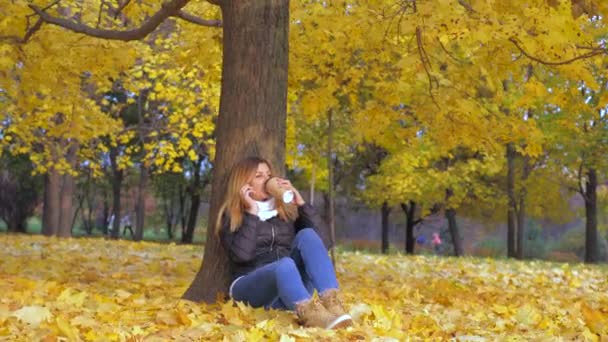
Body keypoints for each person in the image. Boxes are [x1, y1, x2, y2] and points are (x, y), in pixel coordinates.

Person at [217, 156, 352, 329]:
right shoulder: (232, 215)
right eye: (259, 176)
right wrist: (252, 213)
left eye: (268, 175)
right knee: (285, 264)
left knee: (308, 235)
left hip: (289, 292)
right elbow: (241, 256)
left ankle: (332, 303)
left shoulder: (284, 212)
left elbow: (323, 244)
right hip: (251, 290)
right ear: (244, 184)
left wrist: (301, 204)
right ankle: (311, 316)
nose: (267, 180)